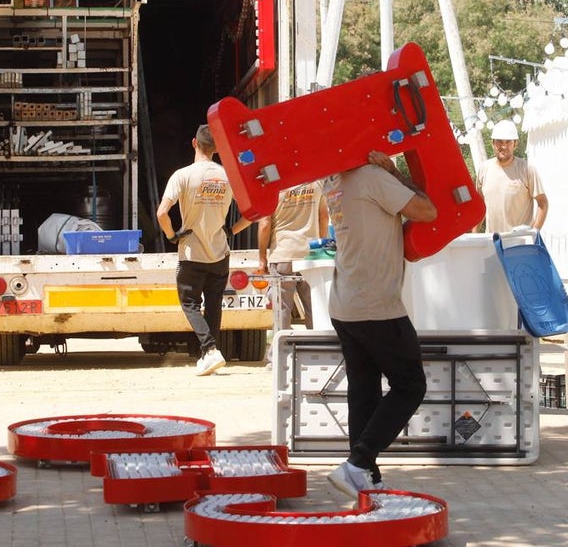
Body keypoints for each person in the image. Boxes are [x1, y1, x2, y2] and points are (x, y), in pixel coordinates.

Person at [322, 150, 437, 498]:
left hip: (345, 304)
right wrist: (397, 171)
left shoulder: (332, 180)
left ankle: (364, 477)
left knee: (364, 393)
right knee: (410, 385)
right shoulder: (373, 177)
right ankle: (357, 463)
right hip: (377, 306)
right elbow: (427, 210)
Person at [157, 124, 250, 376]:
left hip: (192, 253)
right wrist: (231, 230)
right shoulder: (228, 176)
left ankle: (209, 350)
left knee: (189, 304)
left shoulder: (182, 175)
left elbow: (162, 213)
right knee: (213, 305)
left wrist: (171, 236)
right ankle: (207, 355)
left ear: (194, 143)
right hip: (220, 252)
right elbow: (253, 212)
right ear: (217, 149)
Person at [257, 181, 329, 337]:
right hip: (310, 256)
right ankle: (319, 348)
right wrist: (320, 248)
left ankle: (279, 354)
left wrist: (262, 257)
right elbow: (324, 217)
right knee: (315, 306)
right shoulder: (317, 182)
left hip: (283, 254)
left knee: (282, 309)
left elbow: (265, 223)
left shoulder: (273, 186)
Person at [477, 119, 548, 234]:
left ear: (515, 144)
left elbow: (543, 203)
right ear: (493, 143)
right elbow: (479, 207)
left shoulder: (527, 169)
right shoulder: (484, 169)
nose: (504, 146)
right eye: (499, 141)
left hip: (518, 243)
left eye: (508, 142)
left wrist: (534, 233)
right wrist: (474, 237)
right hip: (491, 242)